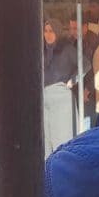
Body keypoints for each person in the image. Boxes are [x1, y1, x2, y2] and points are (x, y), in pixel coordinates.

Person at [43, 19, 77, 157]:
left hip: (61, 98)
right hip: (43, 97)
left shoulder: (67, 49)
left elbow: (85, 64)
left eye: (51, 31)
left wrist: (73, 80)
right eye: (45, 31)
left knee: (62, 136)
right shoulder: (40, 50)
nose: (48, 34)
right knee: (45, 136)